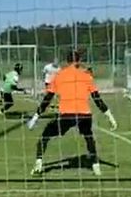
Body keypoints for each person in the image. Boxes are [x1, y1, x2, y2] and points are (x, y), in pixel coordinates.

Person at [27, 49, 118, 177]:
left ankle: (38, 165)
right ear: (79, 61)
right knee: (89, 137)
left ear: (67, 61)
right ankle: (96, 167)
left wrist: (36, 117)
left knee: (45, 136)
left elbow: (47, 99)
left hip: (67, 115)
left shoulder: (59, 76)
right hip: (85, 115)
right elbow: (97, 99)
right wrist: (110, 116)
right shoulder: (87, 76)